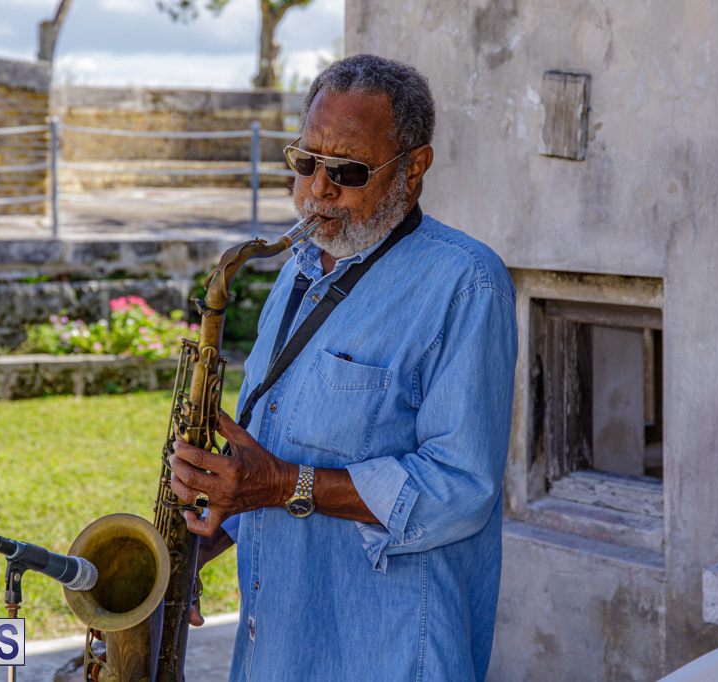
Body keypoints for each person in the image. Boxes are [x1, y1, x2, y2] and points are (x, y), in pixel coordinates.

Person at [169, 54, 518, 681]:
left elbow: (460, 490)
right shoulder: (297, 266)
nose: (316, 191)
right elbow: (271, 457)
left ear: (414, 170)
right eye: (305, 162)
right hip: (274, 649)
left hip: (387, 656)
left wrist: (280, 484)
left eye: (348, 171)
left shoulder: (467, 283)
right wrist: (205, 532)